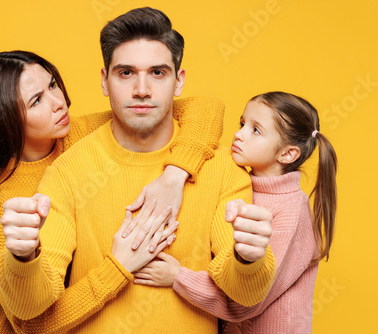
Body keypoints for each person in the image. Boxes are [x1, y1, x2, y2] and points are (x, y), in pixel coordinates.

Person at [0, 7, 276, 333]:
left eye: (157, 73)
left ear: (179, 81)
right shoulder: (67, 170)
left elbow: (244, 293)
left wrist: (248, 259)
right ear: (105, 81)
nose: (142, 89)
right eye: (126, 73)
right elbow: (31, 310)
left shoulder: (222, 168)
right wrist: (23, 257)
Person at [0, 50, 225, 333]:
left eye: (53, 85)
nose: (58, 103)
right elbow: (33, 326)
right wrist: (119, 266)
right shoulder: (1, 204)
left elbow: (205, 108)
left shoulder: (79, 136)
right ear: (3, 119)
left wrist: (174, 175)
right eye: (37, 100)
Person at [134, 91, 338, 333]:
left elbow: (247, 304)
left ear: (287, 154)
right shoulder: (238, 186)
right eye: (242, 124)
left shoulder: (291, 212)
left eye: (255, 130)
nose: (238, 135)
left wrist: (178, 277)